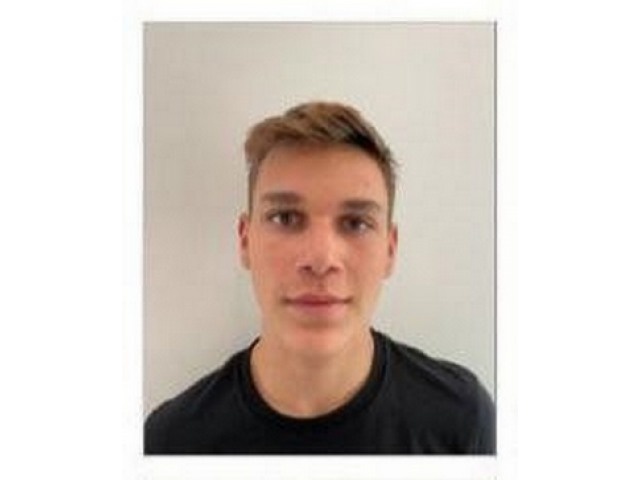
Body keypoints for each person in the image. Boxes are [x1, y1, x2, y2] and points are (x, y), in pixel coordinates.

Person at [144, 101, 495, 454]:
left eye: (356, 223)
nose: (321, 260)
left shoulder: (461, 422)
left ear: (390, 250)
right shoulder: (171, 444)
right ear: (245, 240)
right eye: (285, 218)